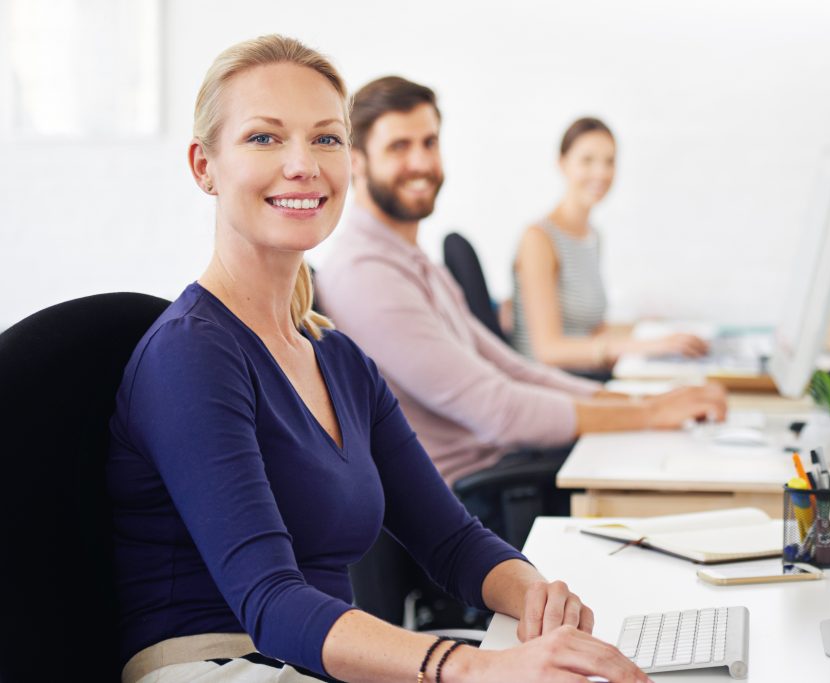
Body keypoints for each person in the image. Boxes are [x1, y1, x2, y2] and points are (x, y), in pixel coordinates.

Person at [107, 35, 654, 683]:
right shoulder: (191, 354)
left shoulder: (337, 358)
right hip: (223, 665)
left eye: (326, 138)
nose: (303, 164)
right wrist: (471, 667)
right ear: (204, 166)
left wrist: (537, 596)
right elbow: (272, 603)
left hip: (313, 659)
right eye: (264, 138)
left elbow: (451, 540)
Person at [315, 79, 727, 494]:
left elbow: (512, 368)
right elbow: (498, 410)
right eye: (399, 147)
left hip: (505, 463)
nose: (421, 162)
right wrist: (649, 414)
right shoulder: (366, 274)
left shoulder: (413, 262)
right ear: (356, 161)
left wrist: (639, 404)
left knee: (683, 458)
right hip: (471, 496)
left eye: (430, 143)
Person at [511, 117, 708, 374]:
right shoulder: (538, 239)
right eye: (587, 160)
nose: (601, 173)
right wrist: (647, 346)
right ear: (562, 164)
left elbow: (594, 331)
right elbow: (548, 350)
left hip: (587, 375)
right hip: (547, 384)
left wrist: (654, 335)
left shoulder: (592, 236)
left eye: (609, 162)